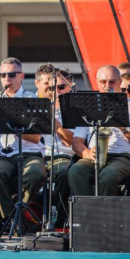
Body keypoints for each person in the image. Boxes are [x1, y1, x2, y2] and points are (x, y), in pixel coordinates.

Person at [0, 58, 46, 221]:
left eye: (11, 75)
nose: (6, 79)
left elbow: (36, 137)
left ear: (21, 76)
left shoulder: (33, 100)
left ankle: (20, 211)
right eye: (2, 75)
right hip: (2, 155)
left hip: (30, 154)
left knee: (35, 174)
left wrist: (12, 125)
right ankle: (13, 217)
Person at [68, 65, 130, 196]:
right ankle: (89, 207)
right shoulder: (89, 105)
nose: (107, 86)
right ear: (97, 82)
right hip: (95, 156)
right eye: (103, 82)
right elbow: (76, 142)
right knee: (75, 171)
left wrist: (123, 127)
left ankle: (100, 208)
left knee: (108, 176)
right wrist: (88, 153)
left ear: (120, 82)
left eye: (112, 82)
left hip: (123, 157)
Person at [35, 64, 74, 228]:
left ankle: (58, 220)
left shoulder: (74, 108)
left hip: (63, 156)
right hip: (37, 155)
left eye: (61, 87)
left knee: (64, 172)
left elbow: (70, 141)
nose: (56, 91)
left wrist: (55, 122)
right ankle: (27, 217)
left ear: (70, 86)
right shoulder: (36, 105)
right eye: (52, 87)